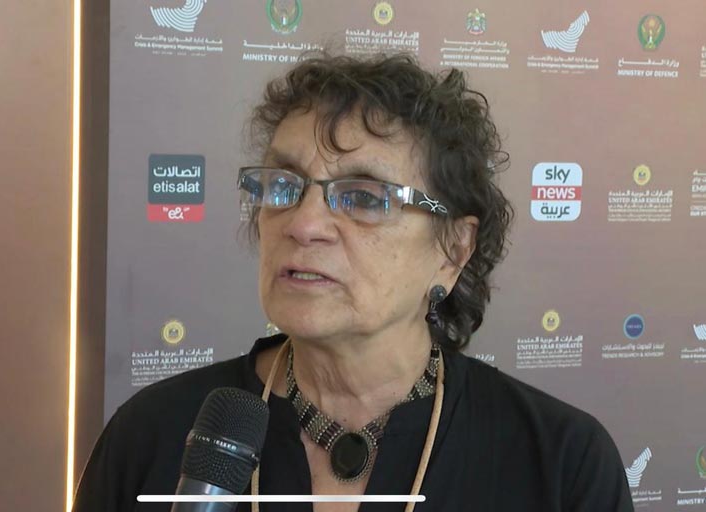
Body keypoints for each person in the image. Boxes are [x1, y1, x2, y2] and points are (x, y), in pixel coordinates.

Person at [72, 53, 633, 511]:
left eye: (364, 197)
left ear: (453, 250)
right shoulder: (153, 434)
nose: (304, 223)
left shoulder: (561, 463)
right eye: (283, 185)